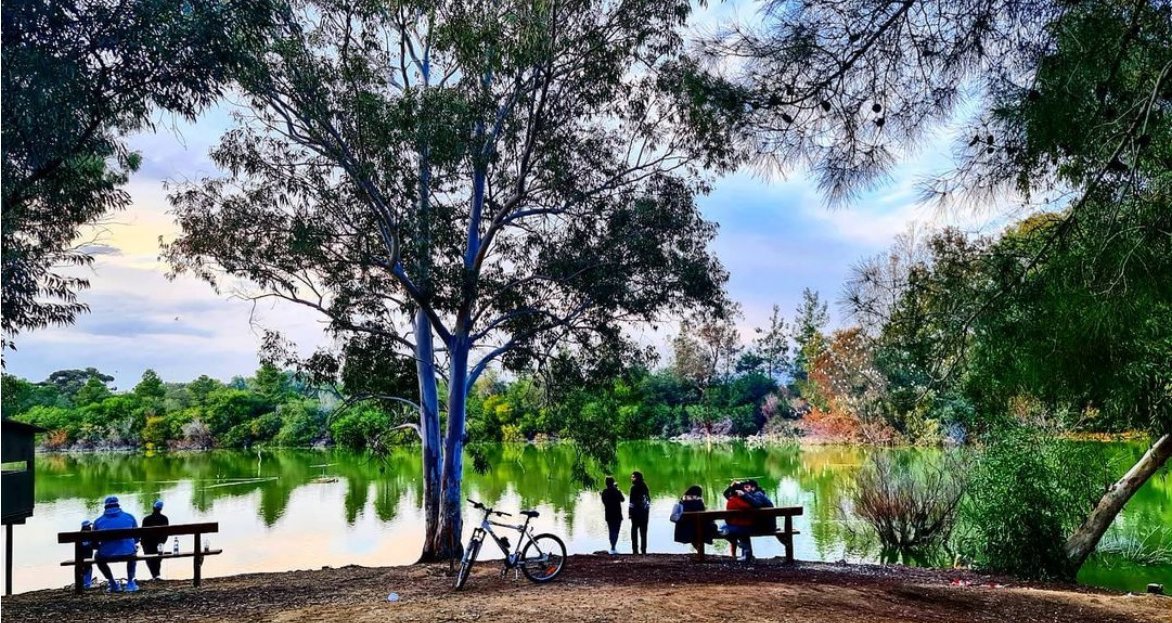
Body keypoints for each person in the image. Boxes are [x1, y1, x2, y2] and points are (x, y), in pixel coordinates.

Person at [93, 495, 140, 592]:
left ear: (105, 506)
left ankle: (112, 583)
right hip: (128, 553)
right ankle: (130, 582)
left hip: (106, 554)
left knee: (97, 556)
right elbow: (136, 539)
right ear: (118, 505)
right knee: (133, 551)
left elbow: (94, 544)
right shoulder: (129, 517)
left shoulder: (98, 522)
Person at [721, 480, 773, 561]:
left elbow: (756, 504)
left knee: (729, 528)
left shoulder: (756, 495)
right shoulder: (747, 498)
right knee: (739, 529)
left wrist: (743, 495)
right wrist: (732, 487)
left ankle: (745, 553)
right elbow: (726, 494)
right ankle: (745, 554)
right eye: (744, 488)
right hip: (754, 525)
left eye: (747, 487)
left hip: (762, 526)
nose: (746, 489)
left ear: (753, 488)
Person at [672, 485, 717, 551]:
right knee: (698, 529)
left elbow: (673, 517)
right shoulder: (699, 503)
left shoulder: (681, 503)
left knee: (693, 531)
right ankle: (700, 551)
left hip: (686, 532)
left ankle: (699, 551)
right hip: (701, 530)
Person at [141, 499, 169, 580]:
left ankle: (154, 575)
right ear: (161, 509)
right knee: (157, 557)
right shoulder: (164, 518)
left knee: (149, 558)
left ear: (153, 507)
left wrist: (142, 543)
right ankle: (157, 575)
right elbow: (165, 534)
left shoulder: (146, 519)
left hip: (148, 545)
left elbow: (143, 533)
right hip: (159, 543)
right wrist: (162, 542)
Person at [600, 476, 625, 555]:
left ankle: (613, 547)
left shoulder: (604, 492)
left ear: (606, 483)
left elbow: (604, 501)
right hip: (617, 514)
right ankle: (613, 547)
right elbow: (623, 499)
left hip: (609, 514)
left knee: (611, 531)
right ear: (613, 482)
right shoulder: (616, 491)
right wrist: (617, 489)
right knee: (616, 531)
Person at [628, 471, 650, 555]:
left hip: (635, 513)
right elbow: (648, 501)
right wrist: (646, 511)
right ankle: (643, 550)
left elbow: (631, 502)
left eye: (633, 477)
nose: (632, 478)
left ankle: (635, 550)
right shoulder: (645, 487)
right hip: (644, 513)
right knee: (643, 532)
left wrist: (630, 513)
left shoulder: (633, 488)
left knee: (634, 531)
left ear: (637, 478)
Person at [79, 520, 95, 589]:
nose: (90, 527)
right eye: (89, 526)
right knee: (88, 566)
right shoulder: (90, 536)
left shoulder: (79, 535)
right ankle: (87, 583)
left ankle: (84, 582)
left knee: (83, 567)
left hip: (80, 557)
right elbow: (95, 546)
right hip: (87, 557)